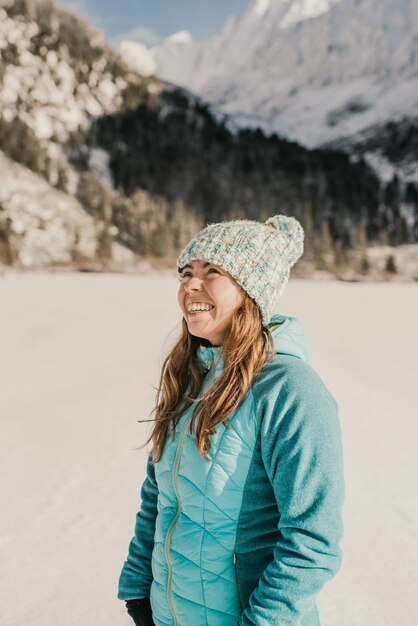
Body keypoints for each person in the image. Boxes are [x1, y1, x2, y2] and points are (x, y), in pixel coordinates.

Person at [118, 214, 345, 626]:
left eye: (212, 272)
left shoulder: (289, 390)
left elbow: (313, 541)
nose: (189, 285)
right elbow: (160, 498)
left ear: (250, 290)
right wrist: (138, 589)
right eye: (186, 272)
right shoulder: (189, 380)